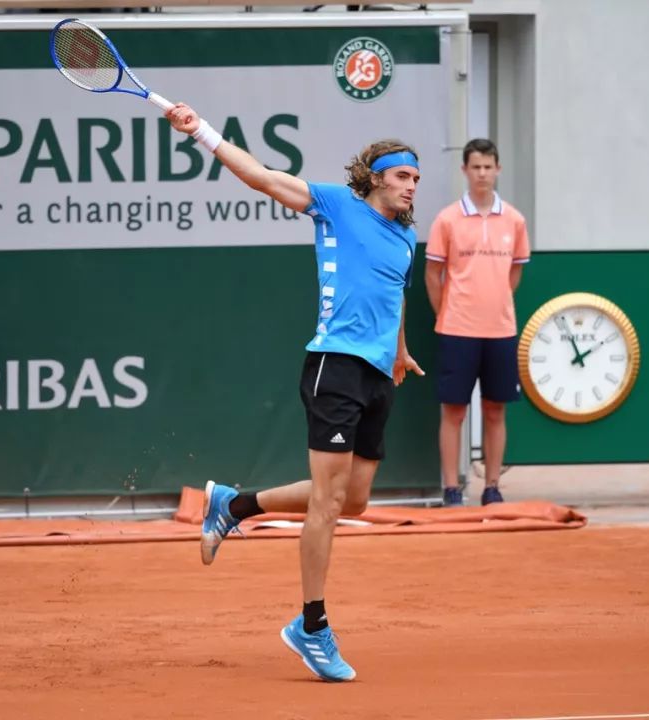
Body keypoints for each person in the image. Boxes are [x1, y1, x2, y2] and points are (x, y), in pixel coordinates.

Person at [165, 102, 424, 682]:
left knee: (353, 501)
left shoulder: (405, 240)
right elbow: (262, 176)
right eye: (403, 176)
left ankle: (232, 505)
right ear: (377, 176)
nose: (412, 187)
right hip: (335, 366)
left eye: (416, 179)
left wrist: (401, 348)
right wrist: (202, 131)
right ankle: (311, 626)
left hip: (379, 375)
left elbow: (395, 294)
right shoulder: (336, 205)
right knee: (329, 505)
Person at [424, 138, 530, 507]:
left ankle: (493, 486)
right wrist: (446, 314)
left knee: (495, 409)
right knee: (453, 411)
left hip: (500, 330)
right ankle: (452, 488)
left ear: (498, 169)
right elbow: (432, 273)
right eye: (476, 167)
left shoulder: (514, 220)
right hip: (457, 330)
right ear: (465, 171)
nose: (482, 173)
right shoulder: (447, 219)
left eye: (488, 166)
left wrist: (496, 301)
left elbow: (514, 273)